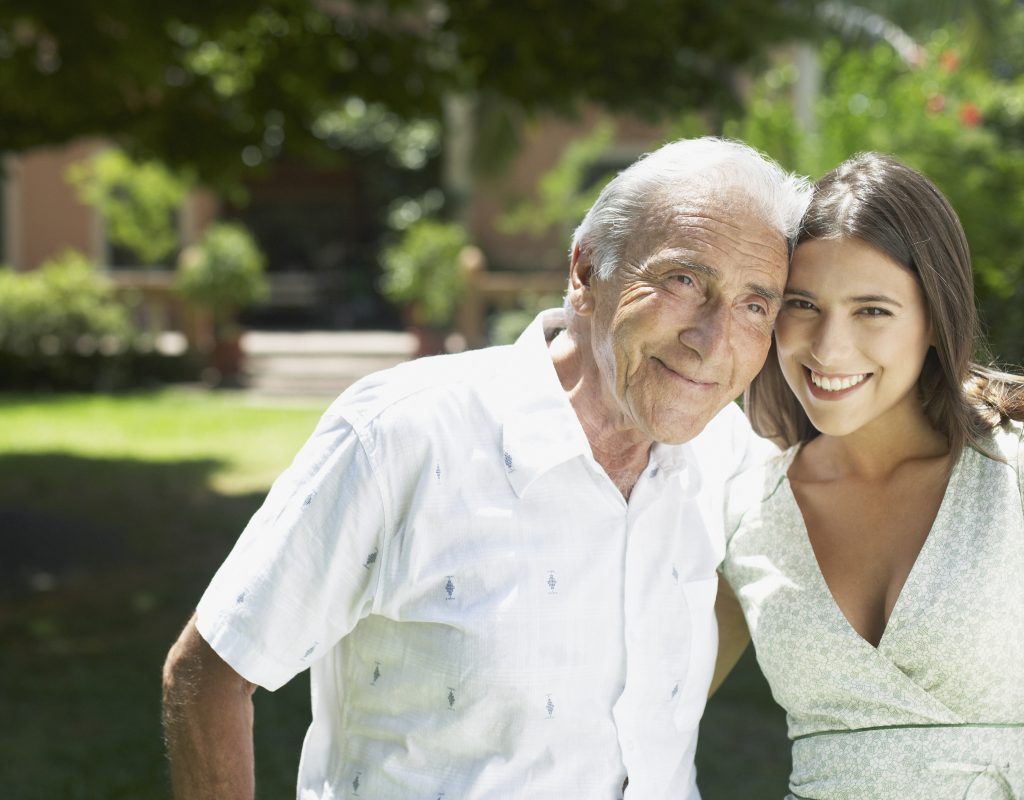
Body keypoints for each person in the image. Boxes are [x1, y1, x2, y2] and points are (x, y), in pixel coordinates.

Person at [161, 137, 811, 800]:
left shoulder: (727, 455)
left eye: (755, 305)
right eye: (684, 281)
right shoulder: (406, 433)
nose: (712, 340)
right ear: (585, 274)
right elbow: (210, 673)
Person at [718, 152, 1024, 799]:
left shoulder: (1012, 478)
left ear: (935, 321)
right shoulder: (742, 513)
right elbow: (644, 710)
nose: (829, 348)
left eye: (872, 310)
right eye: (803, 304)